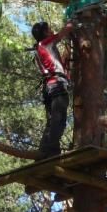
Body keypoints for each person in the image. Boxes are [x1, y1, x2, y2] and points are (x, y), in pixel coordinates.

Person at [31, 20, 76, 158]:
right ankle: (51, 151)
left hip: (49, 87)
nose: (52, 31)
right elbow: (64, 32)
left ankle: (44, 152)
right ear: (45, 33)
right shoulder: (46, 43)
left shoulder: (39, 48)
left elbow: (56, 63)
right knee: (59, 119)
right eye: (49, 30)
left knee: (52, 121)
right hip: (56, 85)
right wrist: (72, 21)